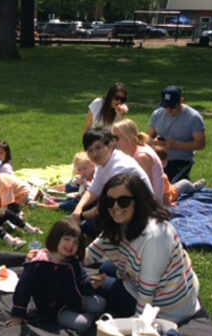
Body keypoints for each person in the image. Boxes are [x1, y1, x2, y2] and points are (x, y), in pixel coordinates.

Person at [85, 174, 201, 324]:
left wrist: (137, 327)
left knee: (97, 287)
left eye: (123, 201)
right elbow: (90, 254)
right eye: (109, 201)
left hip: (164, 308)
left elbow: (147, 296)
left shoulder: (154, 237)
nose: (115, 207)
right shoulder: (119, 224)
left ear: (139, 201)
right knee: (106, 268)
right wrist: (51, 257)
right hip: (147, 282)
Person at [7, 218, 105, 332]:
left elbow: (82, 281)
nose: (70, 245)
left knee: (101, 302)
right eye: (67, 239)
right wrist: (19, 315)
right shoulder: (38, 264)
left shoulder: (72, 262)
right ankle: (94, 317)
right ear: (56, 238)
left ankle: (92, 313)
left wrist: (93, 285)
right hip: (53, 308)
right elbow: (23, 289)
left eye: (75, 242)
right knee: (82, 324)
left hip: (73, 298)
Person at [71, 128, 153, 224]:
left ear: (111, 144)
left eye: (98, 148)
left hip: (140, 214)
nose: (94, 154)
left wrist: (80, 216)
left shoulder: (120, 168)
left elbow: (105, 206)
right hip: (121, 208)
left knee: (87, 226)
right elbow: (94, 190)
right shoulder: (103, 163)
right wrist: (78, 209)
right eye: (90, 151)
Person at [147, 85, 206, 182]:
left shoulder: (194, 117)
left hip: (180, 160)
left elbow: (200, 144)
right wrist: (155, 143)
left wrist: (176, 145)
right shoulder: (157, 114)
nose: (169, 110)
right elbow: (148, 137)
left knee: (169, 185)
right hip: (158, 158)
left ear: (181, 101)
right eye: (165, 106)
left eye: (172, 107)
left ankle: (187, 185)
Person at [112, 119, 164, 200]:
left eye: (116, 138)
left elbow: (145, 188)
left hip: (151, 203)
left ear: (128, 136)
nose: (114, 141)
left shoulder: (141, 157)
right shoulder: (137, 149)